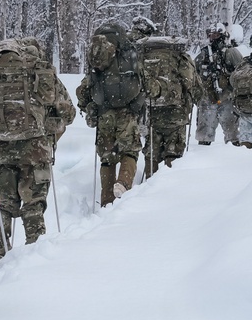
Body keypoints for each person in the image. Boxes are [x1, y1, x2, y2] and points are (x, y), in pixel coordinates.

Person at [0, 37, 75, 263]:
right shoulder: (37, 68)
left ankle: (1, 258)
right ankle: (32, 261)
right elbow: (67, 110)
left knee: (3, 206)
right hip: (36, 150)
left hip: (3, 149)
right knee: (33, 205)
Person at [76, 21, 144, 206]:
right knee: (129, 150)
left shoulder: (97, 58)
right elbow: (142, 81)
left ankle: (106, 200)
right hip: (128, 111)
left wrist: (87, 106)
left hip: (104, 112)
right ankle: (123, 183)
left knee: (107, 158)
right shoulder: (130, 54)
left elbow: (85, 87)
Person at [133, 19, 204, 177]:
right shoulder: (180, 57)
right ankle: (169, 188)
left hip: (153, 110)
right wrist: (196, 98)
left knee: (152, 151)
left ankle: (149, 184)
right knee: (174, 152)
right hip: (176, 112)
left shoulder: (143, 57)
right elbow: (190, 81)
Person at [194, 23, 243, 146]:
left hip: (227, 96)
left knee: (233, 134)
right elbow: (194, 75)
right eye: (211, 35)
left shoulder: (231, 52)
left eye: (216, 34)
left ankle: (236, 155)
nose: (213, 37)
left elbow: (242, 72)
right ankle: (202, 159)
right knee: (204, 135)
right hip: (207, 98)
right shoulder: (203, 54)